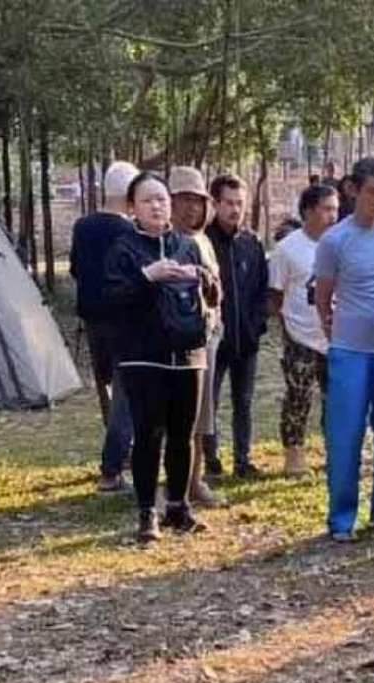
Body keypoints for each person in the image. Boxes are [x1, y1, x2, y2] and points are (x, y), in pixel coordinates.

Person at [101, 171, 219, 542]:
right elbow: (109, 300)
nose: (157, 206)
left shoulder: (187, 245)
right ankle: (147, 512)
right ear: (132, 207)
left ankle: (178, 507)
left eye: (162, 199)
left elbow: (214, 295)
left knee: (183, 434)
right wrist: (147, 276)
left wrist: (202, 278)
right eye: (148, 200)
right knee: (149, 434)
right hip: (142, 355)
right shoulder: (122, 248)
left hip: (188, 352)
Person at [313, 157, 374, 541]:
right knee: (346, 434)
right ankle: (342, 518)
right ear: (353, 190)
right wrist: (331, 327)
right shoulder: (335, 240)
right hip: (349, 349)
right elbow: (323, 295)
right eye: (373, 192)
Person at [73, 160, 142, 494]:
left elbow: (75, 269)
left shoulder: (82, 226)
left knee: (107, 387)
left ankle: (119, 451)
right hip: (124, 322)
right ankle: (112, 469)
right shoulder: (130, 233)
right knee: (125, 395)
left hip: (92, 319)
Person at [168, 166, 228, 508]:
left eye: (197, 201)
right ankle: (174, 485)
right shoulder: (167, 242)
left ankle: (195, 480)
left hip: (207, 336)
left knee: (202, 416)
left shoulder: (202, 240)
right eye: (184, 200)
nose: (192, 208)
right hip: (177, 341)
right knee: (177, 419)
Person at [269, 182, 338, 476]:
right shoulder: (287, 249)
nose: (333, 216)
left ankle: (337, 450)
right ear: (308, 211)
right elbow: (275, 293)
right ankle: (294, 453)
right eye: (326, 209)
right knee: (299, 396)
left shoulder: (341, 244)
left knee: (337, 397)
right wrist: (286, 326)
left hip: (336, 337)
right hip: (300, 336)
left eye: (336, 209)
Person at [204, 174, 270, 478]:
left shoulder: (251, 243)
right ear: (215, 204)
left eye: (239, 203)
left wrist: (256, 326)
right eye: (229, 203)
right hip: (214, 340)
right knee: (210, 402)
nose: (235, 209)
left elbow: (262, 289)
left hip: (247, 339)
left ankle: (243, 459)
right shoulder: (203, 241)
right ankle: (210, 458)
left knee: (243, 402)